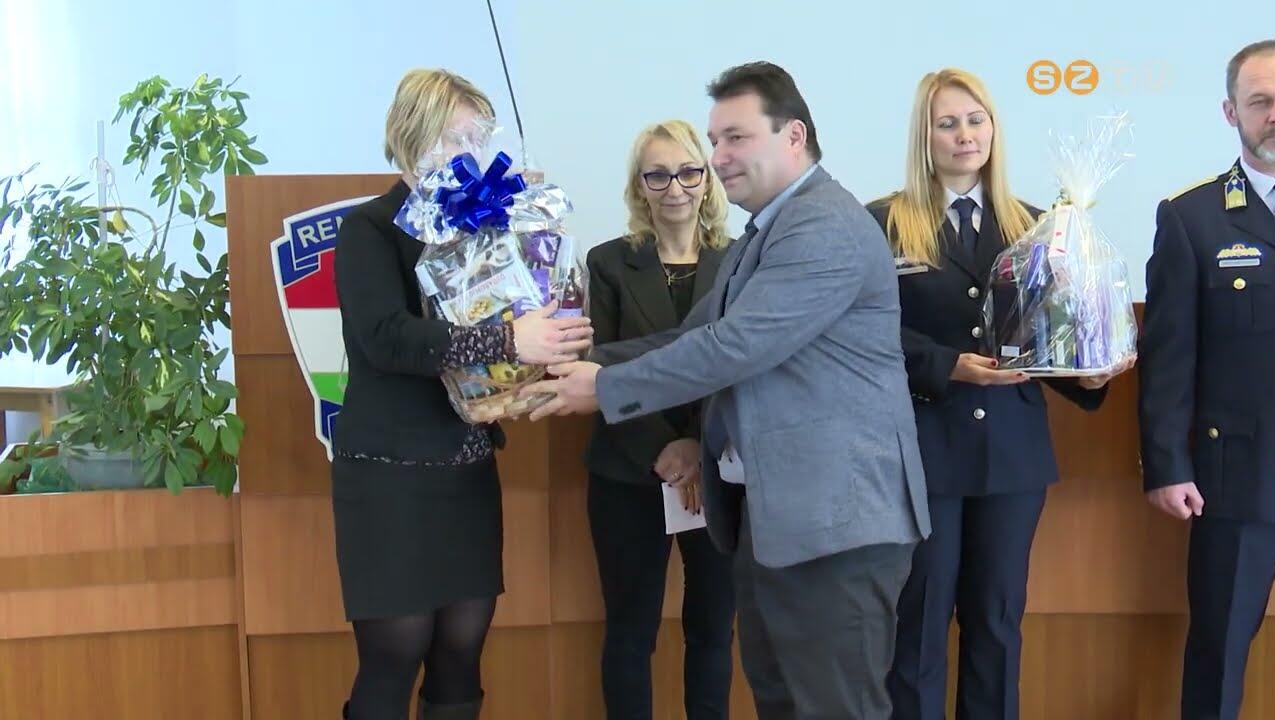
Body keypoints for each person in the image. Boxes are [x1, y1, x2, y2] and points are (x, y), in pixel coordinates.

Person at [525, 61, 931, 720]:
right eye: (715, 140)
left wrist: (606, 388)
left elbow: (736, 348)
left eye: (735, 138)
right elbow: (693, 334)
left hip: (837, 530)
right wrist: (565, 364)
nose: (717, 158)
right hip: (777, 524)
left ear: (794, 136)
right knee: (783, 702)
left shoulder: (823, 226)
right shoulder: (765, 232)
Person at [330, 68, 592, 720]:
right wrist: (511, 340)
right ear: (413, 135)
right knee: (395, 651)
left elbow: (515, 329)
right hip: (389, 474)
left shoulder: (489, 230)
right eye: (456, 136)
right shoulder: (371, 228)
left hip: (464, 463)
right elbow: (386, 339)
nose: (471, 150)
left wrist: (550, 342)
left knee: (460, 650)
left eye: (479, 136)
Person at [867, 68, 1125, 720]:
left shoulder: (1040, 226)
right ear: (924, 136)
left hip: (1010, 454)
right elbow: (860, 332)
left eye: (976, 120)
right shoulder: (883, 224)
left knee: (997, 622)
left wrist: (1085, 373)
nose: (965, 135)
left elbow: (1046, 335)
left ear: (993, 129)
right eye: (948, 123)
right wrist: (944, 365)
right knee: (919, 624)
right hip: (923, 451)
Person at [1139, 39, 1275, 720]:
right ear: (1232, 113)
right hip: (1239, 475)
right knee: (1220, 649)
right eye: (1261, 102)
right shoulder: (1191, 218)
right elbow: (1169, 357)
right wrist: (1167, 464)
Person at [583, 119, 735, 720]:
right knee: (630, 631)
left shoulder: (740, 262)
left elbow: (743, 362)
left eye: (688, 172)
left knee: (713, 628)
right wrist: (662, 449)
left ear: (707, 179)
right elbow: (598, 365)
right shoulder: (608, 263)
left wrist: (696, 443)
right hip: (627, 470)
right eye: (658, 175)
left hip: (717, 468)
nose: (675, 188)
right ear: (638, 186)